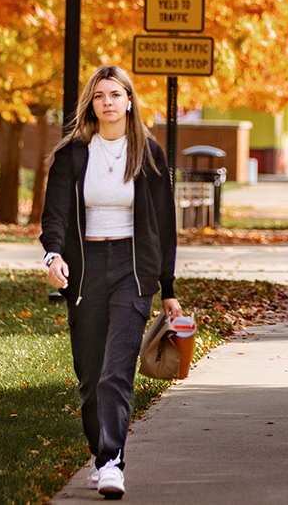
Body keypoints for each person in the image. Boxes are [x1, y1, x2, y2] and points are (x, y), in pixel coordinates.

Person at [40, 65, 180, 500]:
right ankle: (100, 452)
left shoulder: (149, 155)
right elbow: (55, 216)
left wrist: (168, 289)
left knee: (115, 369)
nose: (107, 102)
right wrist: (54, 255)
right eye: (99, 95)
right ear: (91, 103)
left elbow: (165, 224)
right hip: (85, 270)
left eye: (115, 94)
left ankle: (112, 461)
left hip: (132, 269)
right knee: (89, 374)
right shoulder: (72, 155)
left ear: (129, 101)